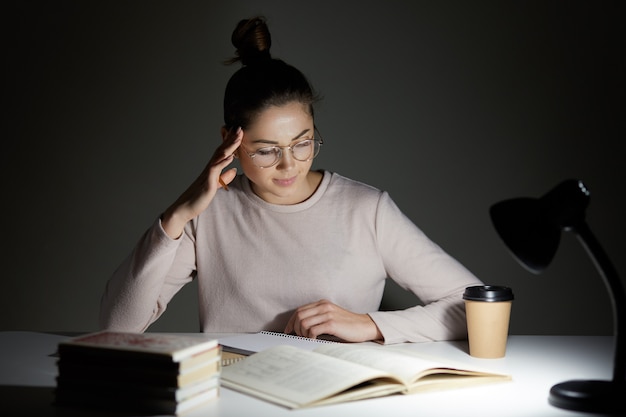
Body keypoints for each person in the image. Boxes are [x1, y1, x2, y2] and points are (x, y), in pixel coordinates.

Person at [99, 16, 483, 344]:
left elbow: (477, 308)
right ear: (230, 141)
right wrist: (179, 214)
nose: (289, 165)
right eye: (266, 150)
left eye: (302, 143)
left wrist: (370, 324)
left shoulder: (366, 210)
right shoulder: (209, 214)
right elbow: (118, 328)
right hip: (237, 398)